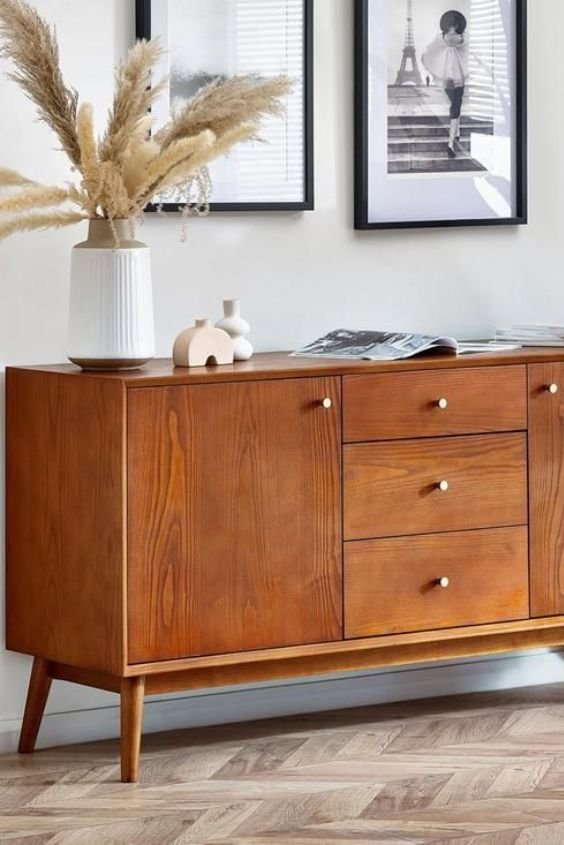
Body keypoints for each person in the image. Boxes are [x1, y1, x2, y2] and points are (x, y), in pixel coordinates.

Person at [422, 10, 469, 158]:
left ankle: (450, 144)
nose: (452, 27)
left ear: (458, 25)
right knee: (455, 105)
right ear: (446, 25)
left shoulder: (458, 38)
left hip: (458, 74)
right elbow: (431, 49)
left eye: (454, 25)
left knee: (455, 106)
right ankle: (457, 131)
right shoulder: (449, 38)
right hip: (448, 76)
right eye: (450, 25)